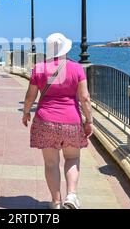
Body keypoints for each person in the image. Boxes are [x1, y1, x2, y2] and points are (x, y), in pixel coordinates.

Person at [22, 33, 94, 209]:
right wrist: (89, 121)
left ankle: (55, 202)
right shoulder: (77, 68)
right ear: (66, 49)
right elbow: (84, 98)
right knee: (72, 157)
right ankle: (71, 195)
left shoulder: (38, 68)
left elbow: (30, 96)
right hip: (71, 120)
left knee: (51, 163)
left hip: (45, 120)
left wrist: (25, 113)